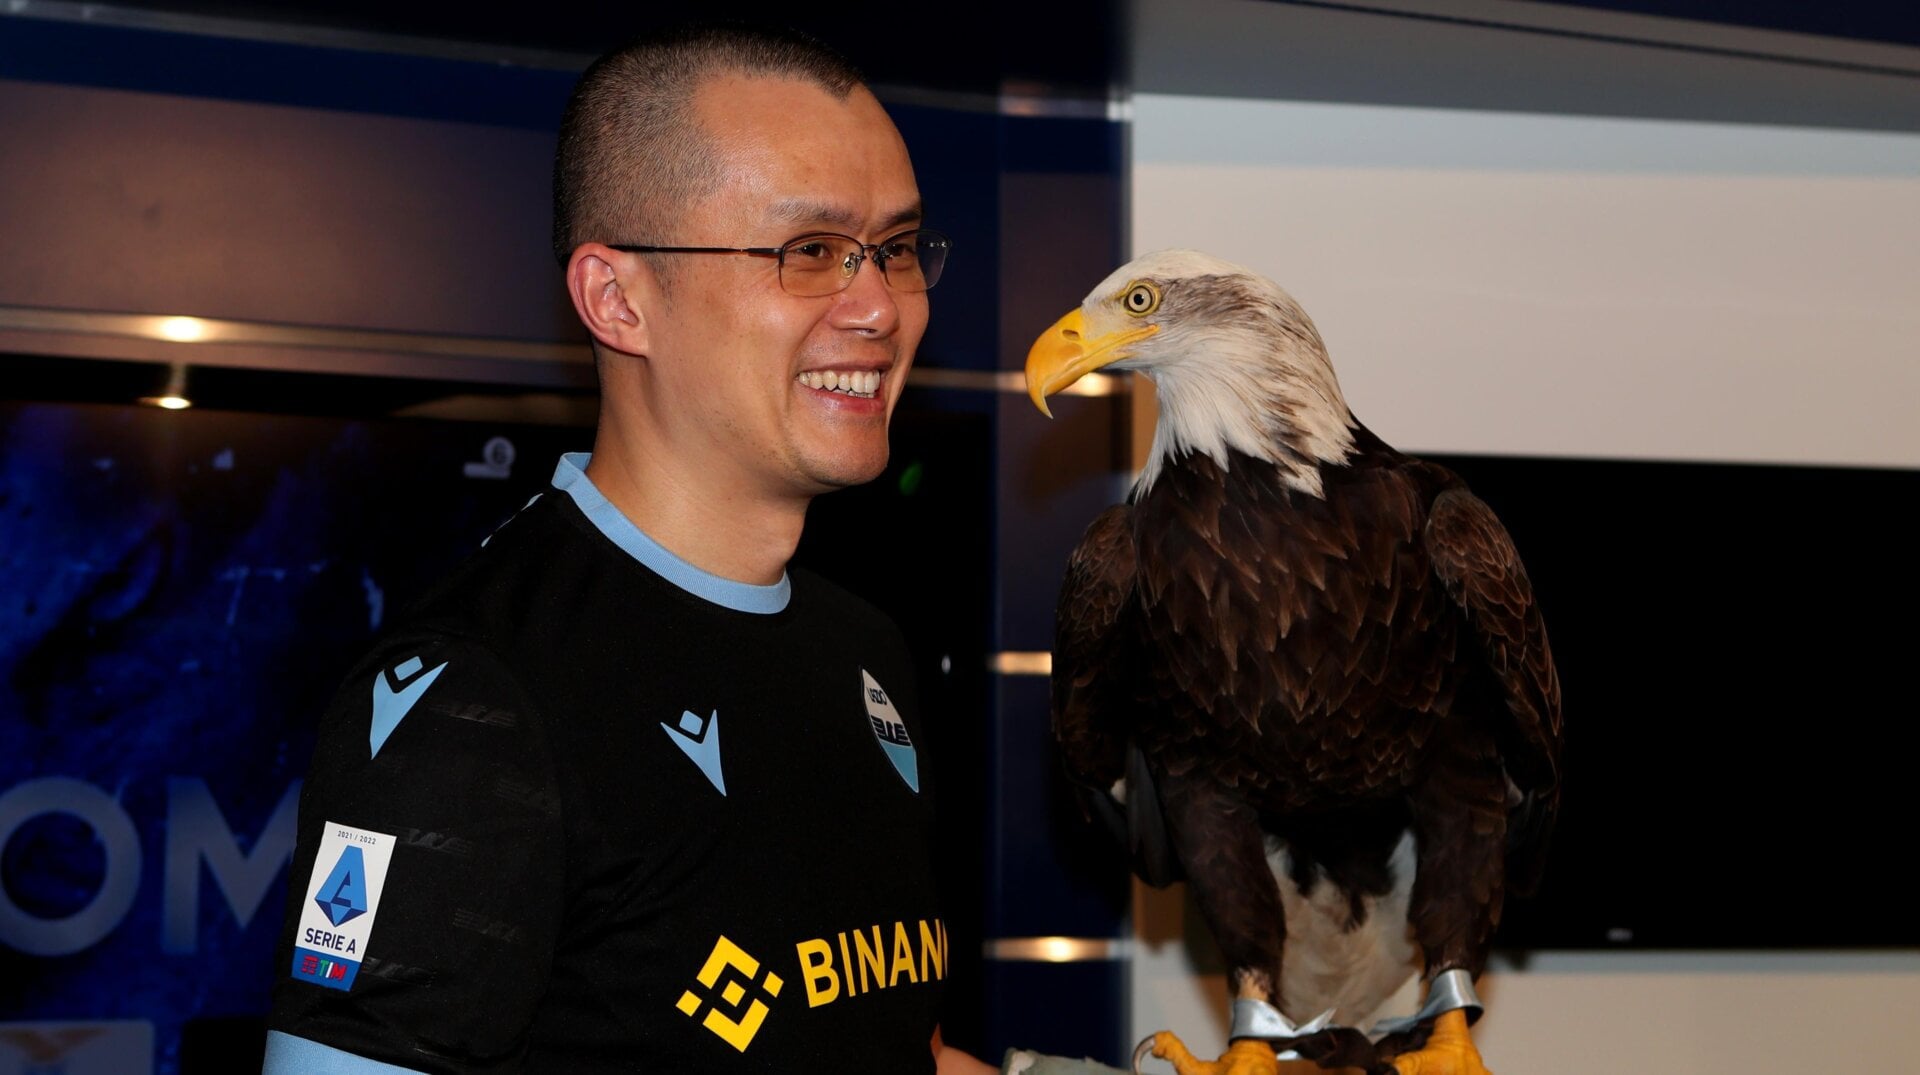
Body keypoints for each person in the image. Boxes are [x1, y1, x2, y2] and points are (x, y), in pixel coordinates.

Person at [262, 20, 1004, 1074]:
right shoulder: (478, 700)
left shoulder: (865, 649)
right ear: (619, 299)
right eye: (811, 253)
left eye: (893, 248)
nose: (882, 305)